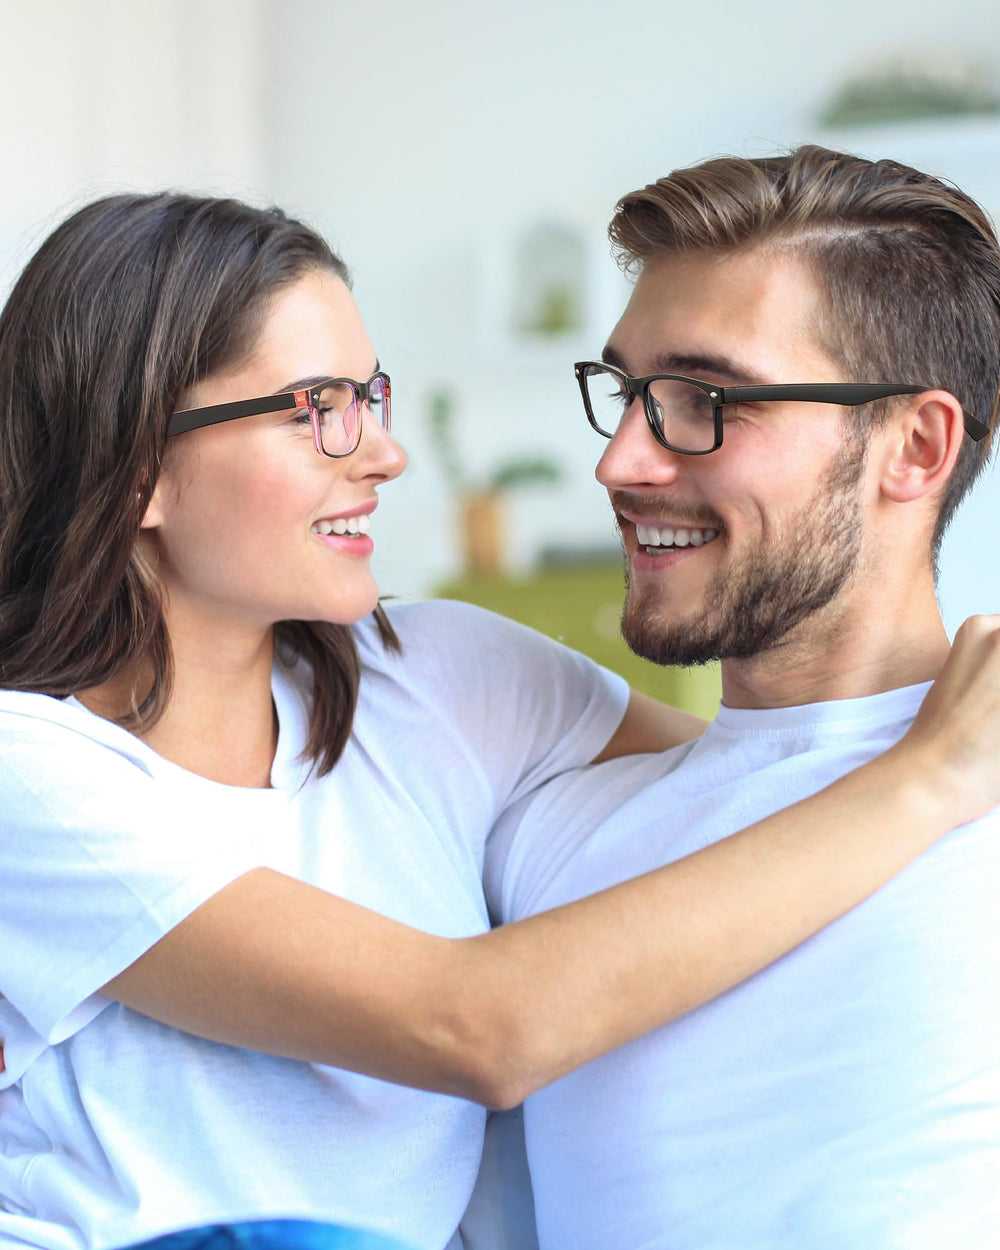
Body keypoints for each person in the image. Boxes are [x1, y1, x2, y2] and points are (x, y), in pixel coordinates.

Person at [0, 191, 997, 1250]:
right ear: (139, 465)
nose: (383, 453)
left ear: (917, 446)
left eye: (370, 395)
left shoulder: (451, 683)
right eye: (319, 405)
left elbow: (757, 768)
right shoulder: (32, 765)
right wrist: (928, 775)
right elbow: (478, 1023)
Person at [482, 144, 1000, 1248]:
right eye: (628, 394)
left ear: (914, 445)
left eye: (705, 399)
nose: (622, 461)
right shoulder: (551, 833)